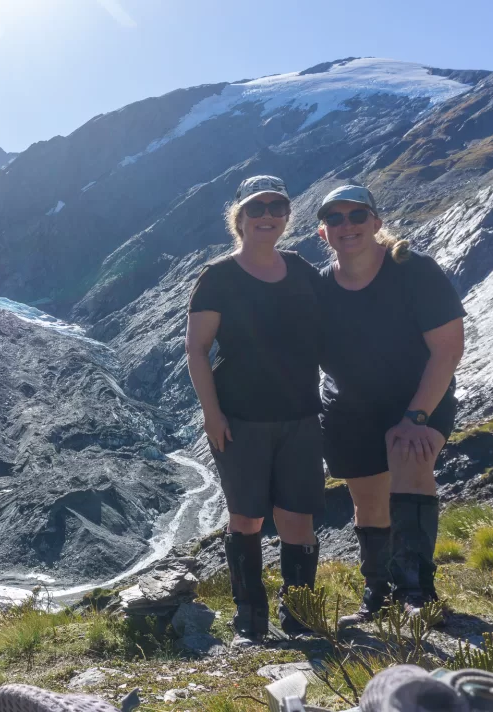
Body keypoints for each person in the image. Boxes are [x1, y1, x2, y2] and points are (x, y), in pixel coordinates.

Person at [314, 185, 465, 624]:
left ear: (376, 223)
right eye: (336, 219)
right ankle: (377, 592)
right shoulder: (321, 287)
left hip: (419, 397)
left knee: (411, 462)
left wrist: (416, 417)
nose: (348, 225)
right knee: (369, 501)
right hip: (349, 407)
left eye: (357, 215)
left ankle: (418, 591)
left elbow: (448, 350)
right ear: (324, 232)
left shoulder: (414, 271)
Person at [185, 175, 325, 644]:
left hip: (302, 414)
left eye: (276, 207)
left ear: (287, 216)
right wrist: (212, 414)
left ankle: (300, 613)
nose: (267, 215)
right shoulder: (219, 277)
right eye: (257, 208)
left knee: (297, 517)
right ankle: (251, 615)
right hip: (240, 417)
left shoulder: (302, 269)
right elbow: (197, 349)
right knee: (245, 517)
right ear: (239, 218)